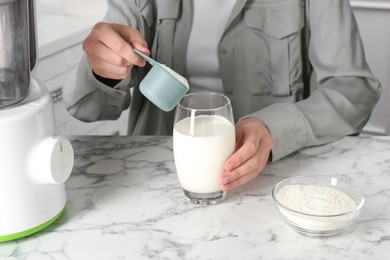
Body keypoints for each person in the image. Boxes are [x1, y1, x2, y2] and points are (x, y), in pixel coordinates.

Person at [63, 0, 381, 192]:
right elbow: (84, 107)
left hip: (273, 180)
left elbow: (353, 90)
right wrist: (103, 67)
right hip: (157, 180)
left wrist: (273, 129)